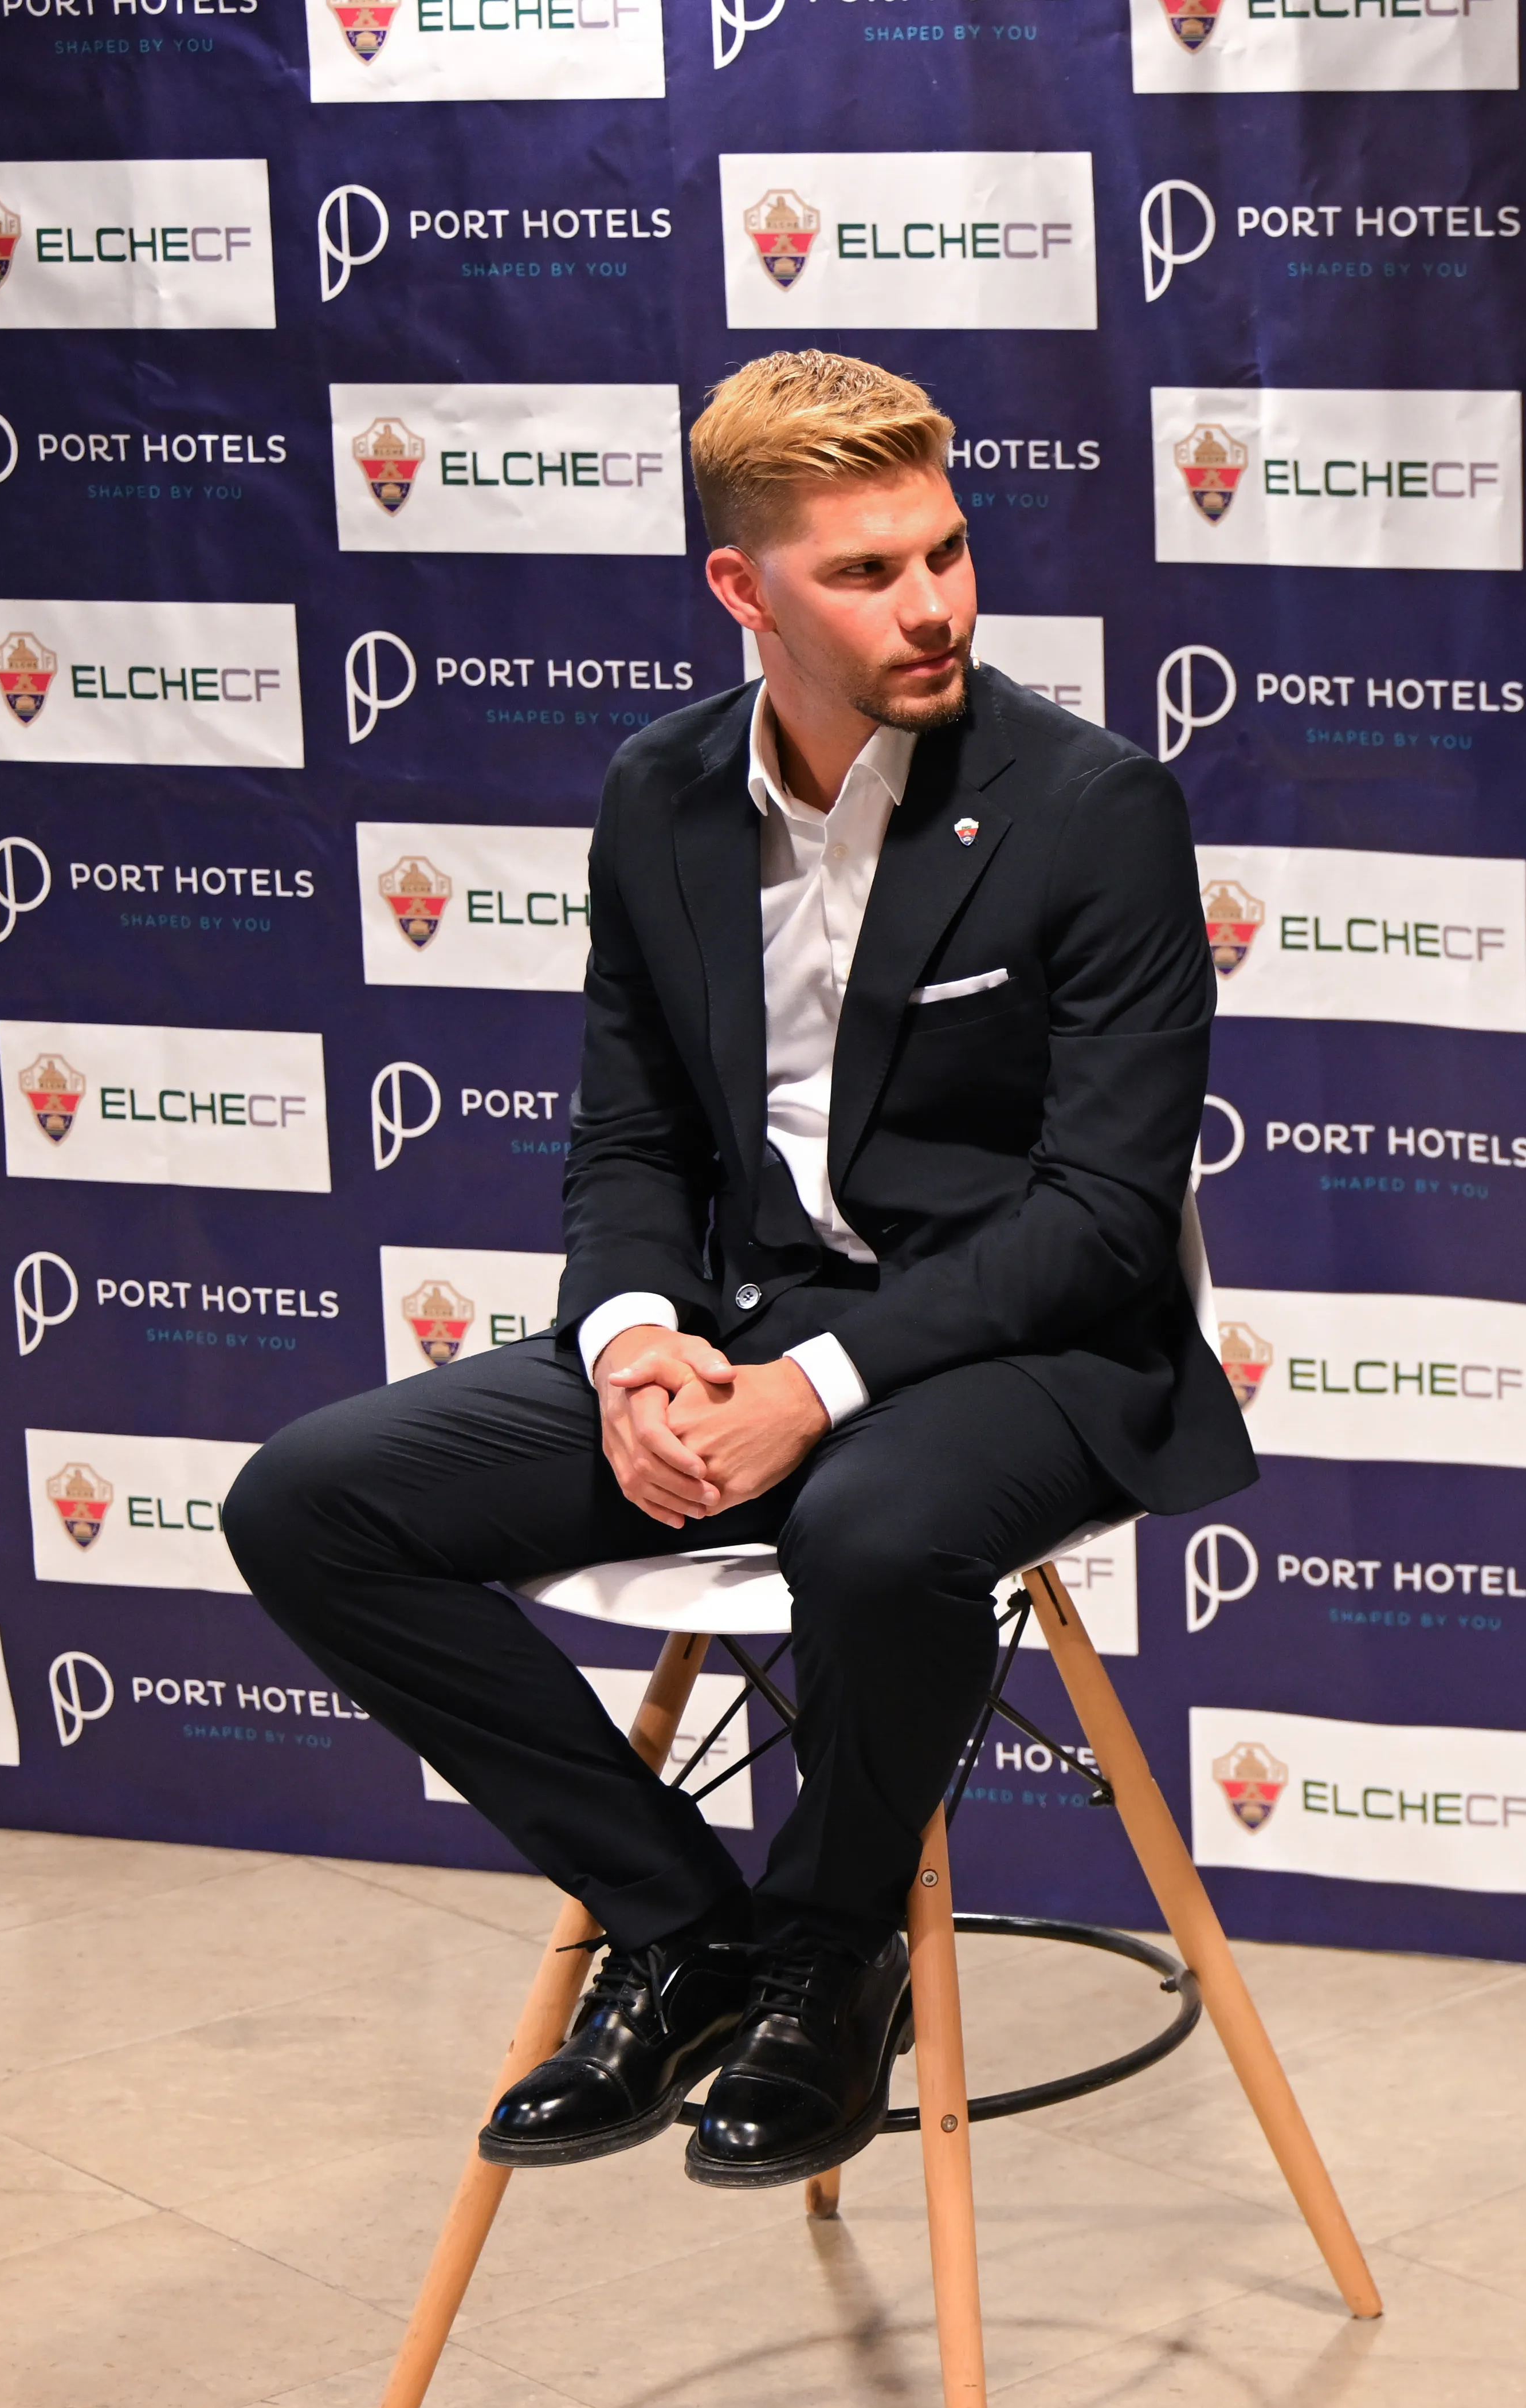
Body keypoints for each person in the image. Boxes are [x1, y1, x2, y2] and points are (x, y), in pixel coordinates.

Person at [227, 352, 1253, 2190]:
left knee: (866, 1526)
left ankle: (835, 1956)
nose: (933, 604)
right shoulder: (659, 794)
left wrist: (808, 1393)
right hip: (746, 1319)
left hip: (1040, 1346)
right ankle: (689, 1928)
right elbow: (631, 1138)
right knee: (308, 1505)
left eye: (945, 550)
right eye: (866, 573)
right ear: (741, 588)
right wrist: (635, 1349)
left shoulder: (1094, 805)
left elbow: (1101, 1214)